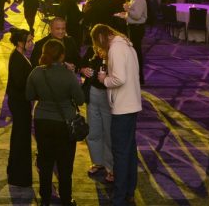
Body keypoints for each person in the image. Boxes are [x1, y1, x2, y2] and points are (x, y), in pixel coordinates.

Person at [26, 39, 84, 206]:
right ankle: (66, 199)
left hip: (42, 120)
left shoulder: (36, 72)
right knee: (65, 165)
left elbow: (29, 95)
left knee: (45, 161)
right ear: (62, 55)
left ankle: (45, 199)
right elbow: (80, 99)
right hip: (64, 122)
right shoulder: (68, 75)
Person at [93, 23, 141, 206]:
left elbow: (120, 78)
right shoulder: (127, 45)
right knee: (128, 151)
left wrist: (104, 80)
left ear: (100, 38)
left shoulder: (116, 48)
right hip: (132, 104)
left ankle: (119, 197)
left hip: (123, 107)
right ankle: (129, 190)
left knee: (120, 153)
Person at [80, 29, 114, 182]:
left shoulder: (113, 51)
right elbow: (81, 65)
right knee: (93, 130)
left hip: (108, 95)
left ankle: (111, 167)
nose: (98, 43)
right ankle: (98, 162)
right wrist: (83, 70)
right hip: (92, 92)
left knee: (109, 132)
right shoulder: (91, 50)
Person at [6, 28, 34, 187]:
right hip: (19, 101)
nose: (31, 43)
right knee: (20, 136)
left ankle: (15, 171)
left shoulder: (19, 55)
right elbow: (18, 82)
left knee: (20, 135)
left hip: (20, 101)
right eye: (28, 41)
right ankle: (18, 175)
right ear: (19, 43)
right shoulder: (16, 58)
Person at [121, 0, 147, 83]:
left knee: (136, 53)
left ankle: (140, 78)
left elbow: (137, 16)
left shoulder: (139, 0)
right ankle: (136, 76)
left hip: (137, 28)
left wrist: (127, 10)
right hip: (133, 27)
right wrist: (125, 14)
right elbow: (134, 14)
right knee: (134, 53)